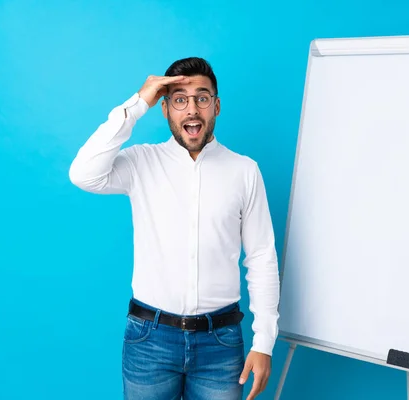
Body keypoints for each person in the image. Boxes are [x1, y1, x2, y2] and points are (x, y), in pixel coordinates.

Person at [69, 57, 280, 400]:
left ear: (216, 106)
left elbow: (261, 258)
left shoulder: (244, 171)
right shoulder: (140, 163)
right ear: (165, 109)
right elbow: (83, 173)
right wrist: (138, 104)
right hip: (149, 340)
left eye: (202, 97)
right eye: (180, 99)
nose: (192, 109)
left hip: (221, 343)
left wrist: (264, 342)